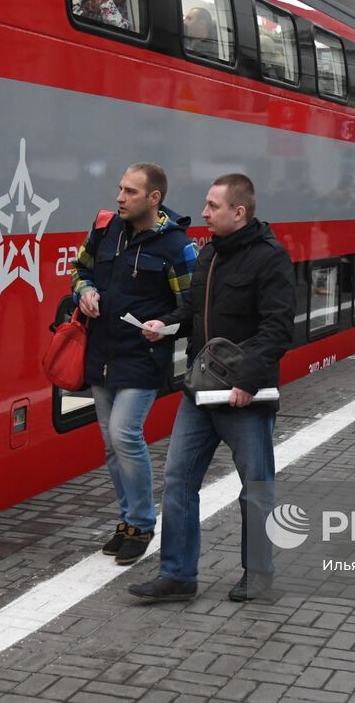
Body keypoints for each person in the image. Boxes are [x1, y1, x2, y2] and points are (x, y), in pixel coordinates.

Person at [129, 174, 294, 604]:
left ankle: (258, 573)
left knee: (255, 488)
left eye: (212, 206)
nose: (203, 213)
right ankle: (178, 576)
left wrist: (247, 381)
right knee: (178, 480)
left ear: (238, 212)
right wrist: (165, 325)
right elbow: (194, 309)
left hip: (244, 398)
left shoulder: (269, 258)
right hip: (199, 393)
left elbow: (277, 330)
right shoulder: (209, 256)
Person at [71, 164, 197, 566]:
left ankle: (142, 523)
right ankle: (126, 521)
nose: (120, 197)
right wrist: (85, 292)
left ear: (154, 198)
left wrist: (167, 326)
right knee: (111, 444)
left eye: (130, 191)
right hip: (102, 353)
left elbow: (191, 306)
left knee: (125, 435)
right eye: (120, 188)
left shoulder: (177, 246)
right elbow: (80, 270)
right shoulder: (105, 229)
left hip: (143, 355)